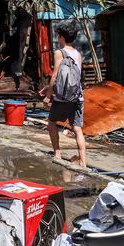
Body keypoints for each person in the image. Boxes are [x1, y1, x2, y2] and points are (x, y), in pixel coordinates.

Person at [43, 23, 87, 167]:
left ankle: (57, 153)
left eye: (58, 35)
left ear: (61, 37)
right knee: (77, 128)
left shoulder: (59, 53)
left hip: (62, 98)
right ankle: (83, 162)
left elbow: (55, 75)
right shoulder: (78, 54)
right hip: (77, 96)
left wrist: (49, 95)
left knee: (51, 124)